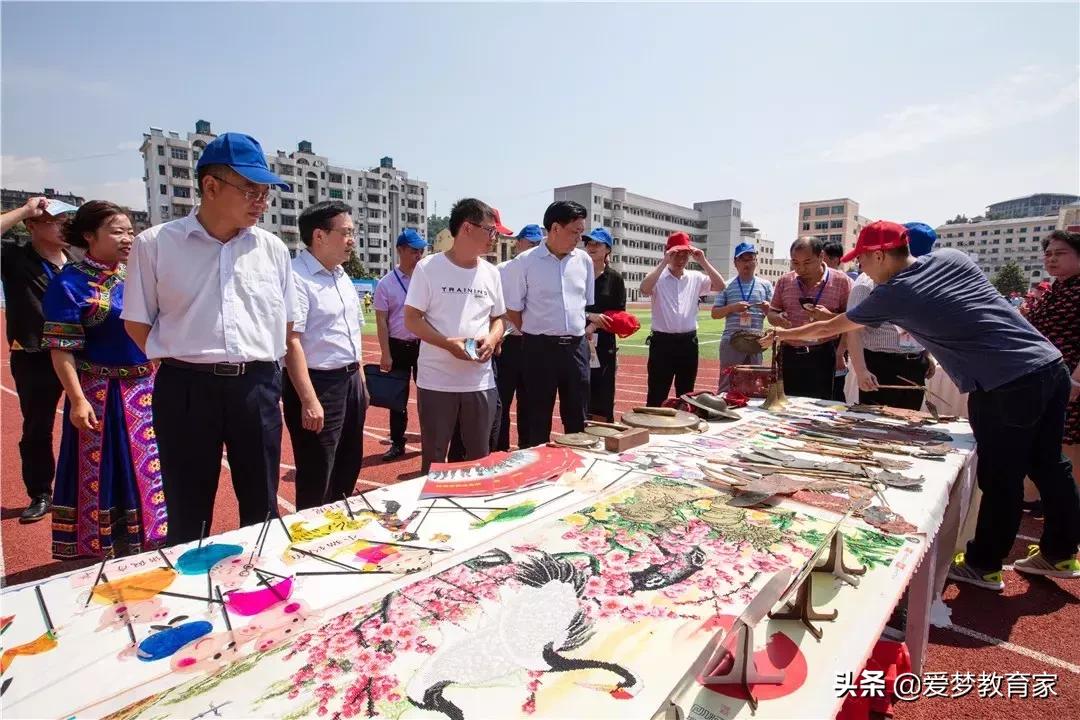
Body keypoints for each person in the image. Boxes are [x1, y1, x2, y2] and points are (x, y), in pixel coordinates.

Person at [763, 220, 1080, 588]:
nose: (860, 269)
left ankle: (984, 564)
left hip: (1004, 382)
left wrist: (784, 332)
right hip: (1048, 366)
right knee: (1049, 464)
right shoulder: (952, 257)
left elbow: (828, 330)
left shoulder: (894, 292)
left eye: (862, 261)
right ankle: (1060, 553)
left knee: (1001, 475)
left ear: (880, 255)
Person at [123, 132, 296, 546]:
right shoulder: (156, 245)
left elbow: (284, 321)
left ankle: (262, 592)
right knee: (188, 508)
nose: (262, 200)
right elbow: (137, 322)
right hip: (186, 389)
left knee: (262, 506)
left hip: (256, 387)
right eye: (251, 188)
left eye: (266, 190)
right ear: (210, 186)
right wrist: (186, 355)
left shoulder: (272, 249)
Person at [42, 201, 167, 558]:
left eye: (131, 231)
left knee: (149, 465)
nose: (128, 238)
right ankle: (100, 544)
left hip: (145, 390)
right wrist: (78, 399)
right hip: (99, 392)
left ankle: (152, 536)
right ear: (89, 236)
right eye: (117, 231)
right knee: (101, 468)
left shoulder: (138, 276)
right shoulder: (70, 283)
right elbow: (61, 349)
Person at [404, 198, 505, 473]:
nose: (494, 238)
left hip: (480, 380)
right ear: (467, 228)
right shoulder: (429, 268)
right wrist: (447, 344)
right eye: (490, 230)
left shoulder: (491, 273)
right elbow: (412, 319)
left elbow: (499, 318)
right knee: (435, 460)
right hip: (438, 381)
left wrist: (494, 338)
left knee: (478, 459)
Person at [282, 201, 368, 510]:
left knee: (348, 463)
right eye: (345, 233)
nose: (352, 240)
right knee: (318, 471)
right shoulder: (296, 277)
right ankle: (309, 539)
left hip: (350, 381)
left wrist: (360, 383)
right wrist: (308, 399)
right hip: (318, 384)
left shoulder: (341, 275)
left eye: (352, 232)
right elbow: (291, 341)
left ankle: (337, 532)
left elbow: (352, 333)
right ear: (319, 235)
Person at [1, 197, 74, 522]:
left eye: (64, 221)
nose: (61, 227)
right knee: (37, 428)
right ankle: (41, 493)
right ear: (32, 226)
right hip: (34, 355)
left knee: (88, 424)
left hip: (77, 355)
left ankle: (84, 491)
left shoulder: (76, 261)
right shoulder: (15, 259)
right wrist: (26, 210)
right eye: (52, 221)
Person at [506, 201, 593, 446]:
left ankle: (577, 468)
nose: (579, 238)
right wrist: (535, 331)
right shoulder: (524, 262)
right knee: (536, 417)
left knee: (578, 417)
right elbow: (513, 309)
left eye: (580, 232)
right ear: (555, 228)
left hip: (576, 349)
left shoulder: (583, 261)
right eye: (575, 232)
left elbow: (584, 303)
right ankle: (533, 473)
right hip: (539, 349)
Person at [847, 222, 939, 409]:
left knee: (907, 425)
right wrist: (861, 370)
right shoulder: (868, 284)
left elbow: (925, 324)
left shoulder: (924, 284)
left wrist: (926, 354)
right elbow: (852, 330)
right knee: (875, 427)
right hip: (881, 366)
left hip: (914, 365)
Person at [639, 232, 726, 406]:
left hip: (688, 342)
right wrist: (664, 262)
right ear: (667, 253)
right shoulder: (659, 277)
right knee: (657, 391)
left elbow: (720, 285)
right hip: (662, 343)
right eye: (675, 254)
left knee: (686, 393)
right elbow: (644, 289)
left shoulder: (695, 277)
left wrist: (702, 260)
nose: (680, 259)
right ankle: (654, 428)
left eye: (684, 254)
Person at [766, 236, 853, 400]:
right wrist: (778, 318)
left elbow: (851, 321)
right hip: (789, 353)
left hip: (824, 353)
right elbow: (771, 314)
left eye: (807, 262)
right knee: (787, 404)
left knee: (822, 405)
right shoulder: (785, 281)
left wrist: (829, 318)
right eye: (795, 262)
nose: (800, 268)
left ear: (821, 256)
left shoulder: (842, 281)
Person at [1026, 230, 1080, 486]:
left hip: (1073, 378)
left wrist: (1076, 381)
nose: (1051, 259)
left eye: (1060, 253)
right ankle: (1050, 500)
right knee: (1050, 441)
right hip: (1048, 378)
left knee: (1070, 441)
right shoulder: (1054, 291)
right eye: (1048, 254)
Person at [373, 229, 426, 461]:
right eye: (414, 250)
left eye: (421, 251)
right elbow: (382, 322)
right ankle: (397, 443)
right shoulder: (386, 284)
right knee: (397, 399)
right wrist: (386, 353)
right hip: (398, 346)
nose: (419, 255)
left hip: (424, 345)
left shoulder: (426, 279)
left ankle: (432, 439)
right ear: (400, 250)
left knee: (429, 396)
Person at [492, 223, 545, 449]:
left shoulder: (544, 270)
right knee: (502, 401)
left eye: (537, 244)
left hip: (533, 343)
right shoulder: (500, 270)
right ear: (518, 243)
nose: (533, 247)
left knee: (531, 403)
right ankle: (500, 449)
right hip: (507, 342)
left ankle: (527, 449)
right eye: (530, 243)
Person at [713, 242, 773, 391]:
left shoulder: (765, 285)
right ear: (735, 262)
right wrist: (733, 308)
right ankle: (724, 411)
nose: (747, 263)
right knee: (727, 382)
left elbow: (774, 316)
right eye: (743, 259)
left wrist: (768, 309)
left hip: (756, 341)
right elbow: (715, 313)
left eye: (750, 259)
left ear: (756, 261)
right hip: (731, 341)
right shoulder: (726, 285)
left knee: (753, 383)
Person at [582, 227, 626, 422]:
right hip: (577, 339)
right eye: (588, 243)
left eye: (597, 244)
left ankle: (602, 430)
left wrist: (593, 326)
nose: (591, 247)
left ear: (608, 249)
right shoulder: (577, 274)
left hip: (604, 342)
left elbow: (619, 312)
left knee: (603, 389)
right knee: (580, 387)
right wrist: (587, 320)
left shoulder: (614, 278)